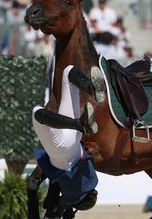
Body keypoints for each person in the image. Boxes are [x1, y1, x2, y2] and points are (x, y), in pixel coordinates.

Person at [31, 65, 105, 215]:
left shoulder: (91, 181)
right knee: (37, 113)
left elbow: (74, 200)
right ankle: (80, 123)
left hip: (75, 139)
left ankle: (92, 90)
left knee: (68, 72)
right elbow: (61, 203)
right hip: (61, 149)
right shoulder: (71, 196)